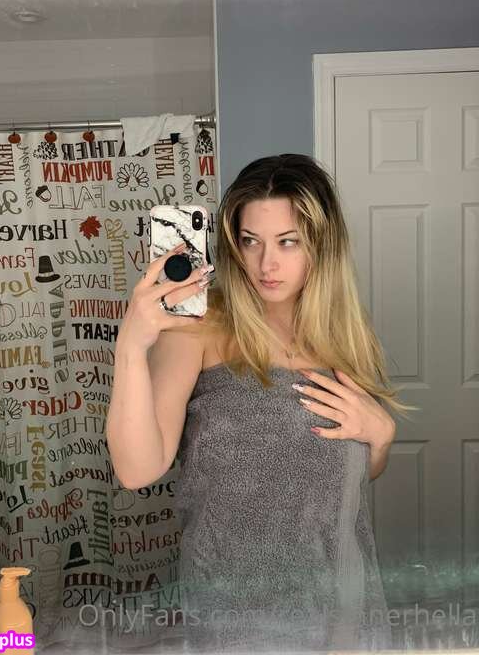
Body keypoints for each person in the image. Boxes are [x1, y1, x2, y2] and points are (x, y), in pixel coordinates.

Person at [107, 154, 417, 654]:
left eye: (288, 242)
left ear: (321, 245)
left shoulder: (345, 339)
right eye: (251, 241)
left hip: (344, 612)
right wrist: (131, 345)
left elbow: (348, 475)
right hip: (234, 616)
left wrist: (381, 437)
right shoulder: (199, 329)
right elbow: (136, 469)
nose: (266, 264)